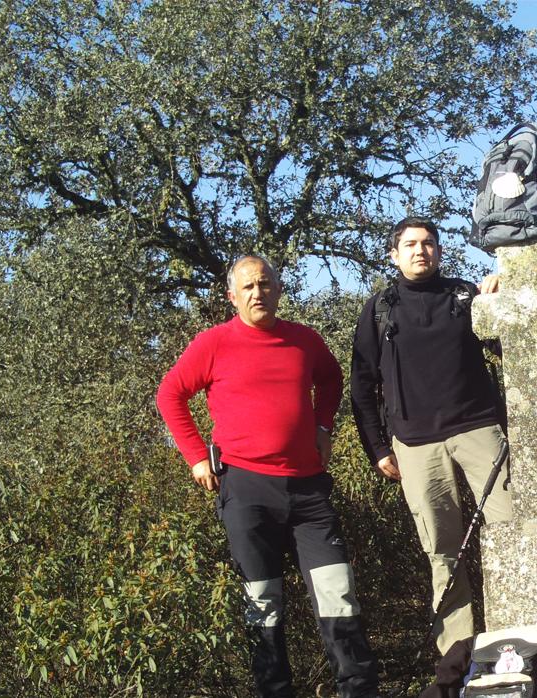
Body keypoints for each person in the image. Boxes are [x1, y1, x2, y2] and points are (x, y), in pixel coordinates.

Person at [156, 255, 380, 698]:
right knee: (263, 604)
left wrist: (322, 426)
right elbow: (170, 395)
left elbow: (331, 380)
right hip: (246, 489)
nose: (258, 293)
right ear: (232, 296)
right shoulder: (212, 343)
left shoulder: (304, 341)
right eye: (248, 287)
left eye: (265, 284)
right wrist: (197, 457)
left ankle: (359, 690)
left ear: (278, 289)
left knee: (339, 596)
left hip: (308, 490)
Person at [349, 216, 512, 655]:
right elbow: (362, 383)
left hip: (477, 429)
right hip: (416, 443)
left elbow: (503, 343)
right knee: (442, 550)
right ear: (394, 254)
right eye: (411, 244)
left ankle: (519, 639)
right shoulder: (380, 309)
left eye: (429, 243)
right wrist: (378, 447)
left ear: (439, 250)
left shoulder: (463, 296)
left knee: (509, 530)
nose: (421, 250)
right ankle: (459, 656)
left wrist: (498, 300)